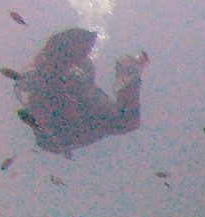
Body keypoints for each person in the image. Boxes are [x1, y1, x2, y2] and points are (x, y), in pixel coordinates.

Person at [13, 28, 148, 157]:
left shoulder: (80, 85)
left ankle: (126, 76)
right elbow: (127, 122)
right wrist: (127, 79)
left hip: (69, 129)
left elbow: (126, 121)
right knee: (122, 120)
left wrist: (127, 80)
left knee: (121, 119)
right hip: (65, 128)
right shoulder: (55, 82)